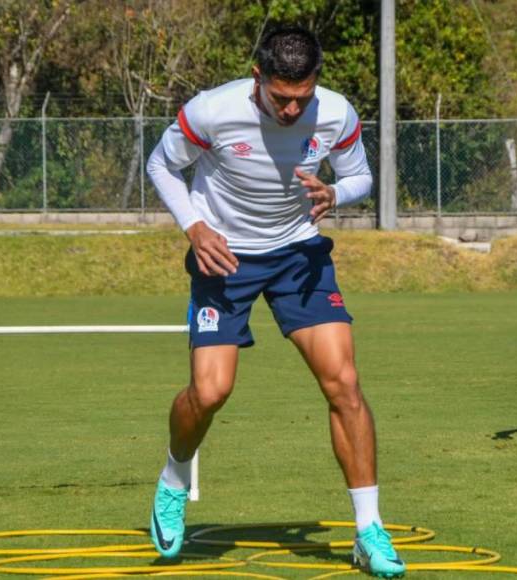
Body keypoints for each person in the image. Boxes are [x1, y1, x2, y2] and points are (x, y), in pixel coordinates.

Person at [144, 25, 405, 577]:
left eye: (302, 97)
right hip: (224, 258)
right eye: (281, 97)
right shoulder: (211, 111)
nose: (292, 109)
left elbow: (360, 176)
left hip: (297, 256)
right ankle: (174, 476)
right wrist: (193, 226)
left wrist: (336, 192)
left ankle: (368, 530)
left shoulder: (335, 113)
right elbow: (161, 165)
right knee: (211, 391)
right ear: (258, 77)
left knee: (345, 384)